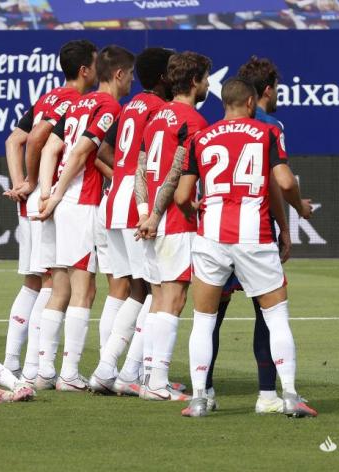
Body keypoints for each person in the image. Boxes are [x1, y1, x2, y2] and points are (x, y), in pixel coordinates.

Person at [176, 77, 317, 418]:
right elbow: (283, 182)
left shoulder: (200, 138)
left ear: (223, 103)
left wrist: (196, 211)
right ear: (251, 103)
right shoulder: (266, 134)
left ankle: (199, 400)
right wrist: (299, 209)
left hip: (211, 237)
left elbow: (182, 196)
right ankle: (289, 396)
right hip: (254, 237)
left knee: (204, 321)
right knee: (276, 317)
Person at [35, 45, 135, 391]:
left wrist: (46, 192)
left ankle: (45, 369)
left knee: (59, 286)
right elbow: (81, 152)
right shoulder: (108, 105)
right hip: (81, 201)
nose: (131, 82)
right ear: (119, 74)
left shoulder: (78, 102)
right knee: (84, 289)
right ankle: (69, 373)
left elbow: (50, 149)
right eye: (130, 75)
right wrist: (60, 193)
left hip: (64, 202)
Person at [0, 40, 98, 384]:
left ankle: (14, 364)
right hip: (51, 195)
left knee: (34, 282)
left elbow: (14, 139)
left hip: (34, 197)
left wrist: (20, 183)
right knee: (53, 285)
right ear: (84, 69)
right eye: (95, 64)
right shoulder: (74, 101)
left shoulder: (48, 97)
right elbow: (39, 136)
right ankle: (33, 368)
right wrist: (31, 181)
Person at [199, 55, 292, 415]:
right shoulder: (270, 127)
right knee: (267, 314)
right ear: (263, 92)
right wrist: (285, 226)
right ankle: (268, 393)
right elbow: (274, 184)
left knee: (211, 317)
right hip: (256, 231)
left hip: (216, 231)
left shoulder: (215, 128)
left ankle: (203, 391)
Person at [88, 47, 175, 395]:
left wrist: (122, 174)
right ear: (165, 77)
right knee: (155, 290)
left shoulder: (131, 105)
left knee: (133, 290)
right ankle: (124, 373)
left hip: (116, 198)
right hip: (137, 202)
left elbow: (104, 149)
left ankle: (112, 369)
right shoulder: (159, 110)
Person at [134, 51, 211, 401]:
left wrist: (143, 210)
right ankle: (157, 381)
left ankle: (151, 376)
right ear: (194, 81)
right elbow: (176, 172)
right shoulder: (193, 121)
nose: (209, 83)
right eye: (206, 77)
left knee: (158, 297)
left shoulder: (155, 117)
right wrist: (156, 214)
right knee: (174, 298)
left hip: (150, 217)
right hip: (172, 221)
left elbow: (140, 168)